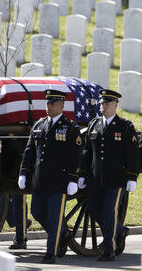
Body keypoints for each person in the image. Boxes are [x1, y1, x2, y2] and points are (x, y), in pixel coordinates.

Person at [18, 89, 81, 264]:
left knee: (54, 218)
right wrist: (23, 173)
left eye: (53, 103)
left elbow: (75, 156)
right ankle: (64, 234)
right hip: (40, 180)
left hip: (59, 181)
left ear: (61, 106)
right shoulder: (39, 125)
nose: (49, 106)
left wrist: (72, 179)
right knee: (36, 211)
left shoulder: (70, 127)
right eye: (47, 103)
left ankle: (50, 254)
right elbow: (29, 153)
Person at [79, 89, 139, 261]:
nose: (103, 106)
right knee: (93, 210)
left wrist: (131, 177)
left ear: (115, 105)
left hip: (117, 179)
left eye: (107, 103)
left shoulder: (125, 126)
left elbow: (132, 154)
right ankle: (119, 230)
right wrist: (83, 173)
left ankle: (109, 250)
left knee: (109, 211)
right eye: (102, 103)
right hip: (96, 178)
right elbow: (87, 151)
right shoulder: (94, 125)